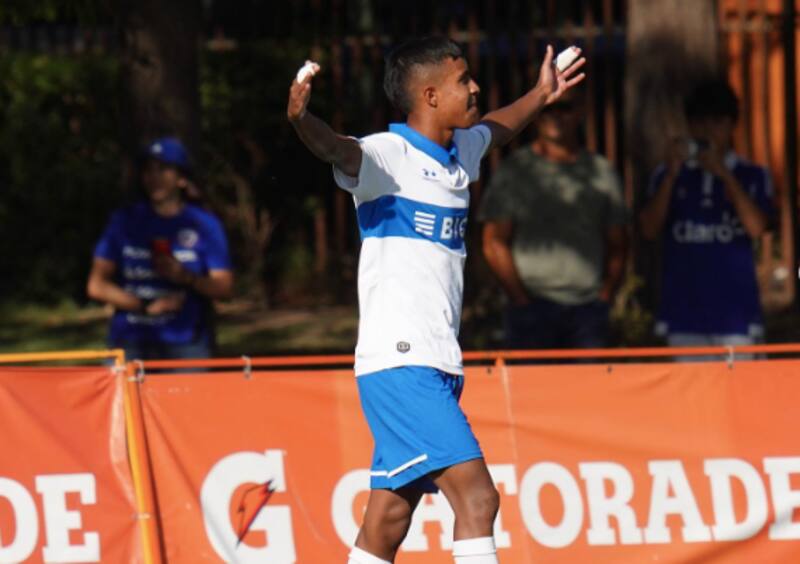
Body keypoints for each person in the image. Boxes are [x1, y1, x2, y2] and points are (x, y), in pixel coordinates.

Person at [287, 37, 584, 564]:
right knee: (478, 498)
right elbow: (337, 148)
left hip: (434, 360)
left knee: (389, 518)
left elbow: (499, 126)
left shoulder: (459, 152)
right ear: (428, 95)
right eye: (463, 80)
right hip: (402, 362)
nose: (474, 88)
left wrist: (541, 94)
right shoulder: (386, 156)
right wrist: (301, 120)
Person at [478, 88, 628, 350]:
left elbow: (620, 242)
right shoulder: (515, 170)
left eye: (564, 108)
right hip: (529, 309)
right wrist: (521, 300)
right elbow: (493, 242)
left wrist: (604, 297)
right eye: (547, 109)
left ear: (580, 112)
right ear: (536, 114)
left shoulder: (602, 171)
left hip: (587, 311)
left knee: (590, 392)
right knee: (531, 392)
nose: (555, 116)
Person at [639, 80, 773, 357]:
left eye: (717, 122)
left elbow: (758, 229)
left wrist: (724, 175)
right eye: (700, 122)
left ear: (731, 125)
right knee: (691, 400)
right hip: (684, 315)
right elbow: (648, 230)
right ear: (689, 125)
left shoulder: (752, 175)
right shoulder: (667, 174)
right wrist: (672, 175)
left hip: (737, 318)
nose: (708, 130)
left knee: (740, 398)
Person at [87, 137, 234, 361]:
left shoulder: (204, 224)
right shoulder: (124, 221)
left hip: (186, 346)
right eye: (148, 170)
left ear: (182, 178)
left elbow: (224, 288)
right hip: (130, 343)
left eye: (163, 169)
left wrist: (185, 277)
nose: (154, 178)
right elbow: (96, 286)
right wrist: (143, 306)